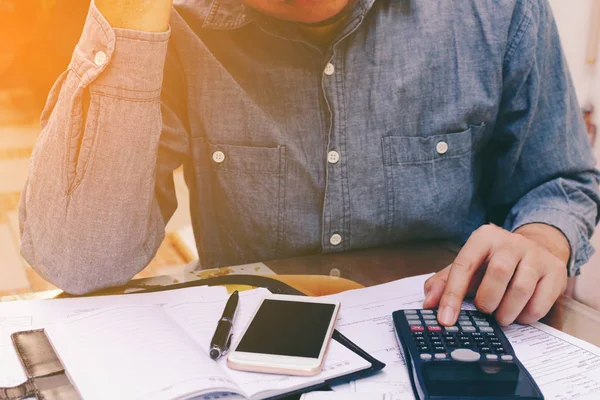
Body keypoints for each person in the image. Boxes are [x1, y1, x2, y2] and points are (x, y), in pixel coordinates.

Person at [19, 0, 600, 328]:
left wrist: (544, 240)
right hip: (245, 361)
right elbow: (80, 259)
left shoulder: (497, 12)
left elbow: (559, 179)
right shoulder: (181, 22)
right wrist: (129, 22)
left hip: (452, 340)